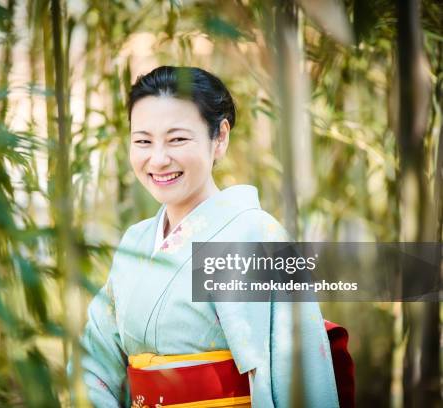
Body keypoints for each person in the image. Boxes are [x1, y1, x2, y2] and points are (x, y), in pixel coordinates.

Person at [78, 66, 343, 407]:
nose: (158, 159)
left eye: (177, 139)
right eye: (143, 141)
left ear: (219, 138)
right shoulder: (135, 241)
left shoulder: (254, 235)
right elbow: (94, 359)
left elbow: (300, 371)